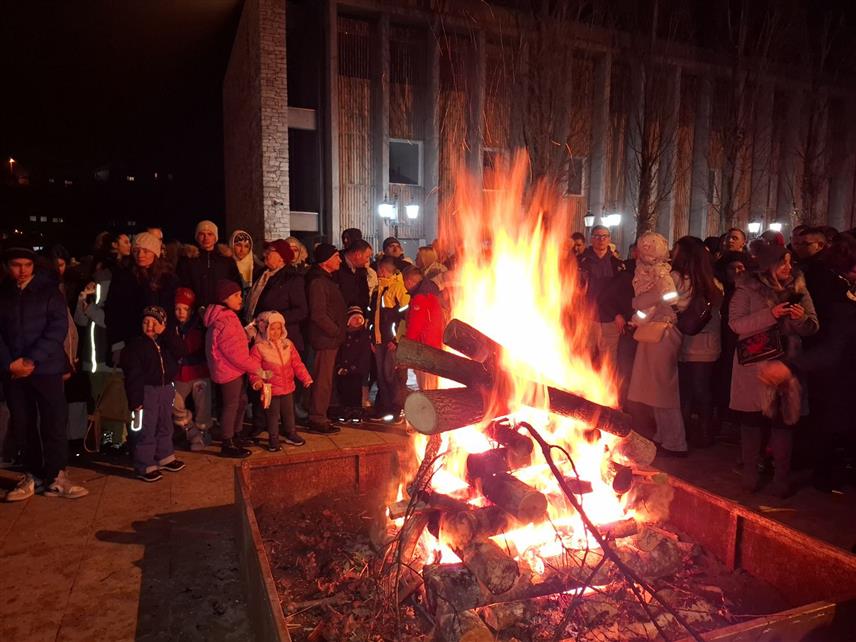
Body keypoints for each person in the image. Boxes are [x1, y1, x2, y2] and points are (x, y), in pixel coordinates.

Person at [758, 233, 856, 491]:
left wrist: (791, 364)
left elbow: (826, 338)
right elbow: (834, 342)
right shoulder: (840, 295)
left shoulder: (829, 292)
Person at [729, 244, 818, 496]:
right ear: (768, 265)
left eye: (790, 262)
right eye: (782, 262)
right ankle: (750, 473)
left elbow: (813, 326)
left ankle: (781, 478)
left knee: (782, 424)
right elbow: (736, 323)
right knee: (752, 424)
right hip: (756, 365)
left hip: (786, 366)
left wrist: (799, 319)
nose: (788, 268)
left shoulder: (799, 288)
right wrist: (770, 314)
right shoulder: (747, 288)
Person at [1, 248, 87, 500]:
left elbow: (57, 327)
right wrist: (9, 363)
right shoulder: (3, 293)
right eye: (17, 265)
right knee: (23, 422)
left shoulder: (49, 291)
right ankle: (33, 474)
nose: (22, 270)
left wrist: (31, 359)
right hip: (14, 371)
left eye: (27, 264)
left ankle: (57, 475)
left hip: (45, 367)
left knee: (53, 421)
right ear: (7, 266)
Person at [627, 232, 690, 457]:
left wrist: (642, 306)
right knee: (655, 389)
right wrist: (640, 315)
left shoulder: (662, 272)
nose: (645, 251)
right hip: (653, 332)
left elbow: (668, 298)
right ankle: (664, 436)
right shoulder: (648, 270)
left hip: (662, 332)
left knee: (664, 389)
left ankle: (675, 440)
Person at [119, 306, 186, 482]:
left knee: (165, 423)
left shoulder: (165, 342)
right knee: (147, 428)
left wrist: (165, 333)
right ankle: (145, 463)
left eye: (154, 323)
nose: (149, 326)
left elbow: (181, 350)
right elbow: (133, 375)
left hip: (165, 389)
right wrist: (136, 400)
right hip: (147, 391)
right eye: (145, 322)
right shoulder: (136, 346)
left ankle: (164, 455)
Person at [204, 280, 268, 458]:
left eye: (241, 294)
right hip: (229, 371)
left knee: (240, 401)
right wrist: (257, 368)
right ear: (224, 298)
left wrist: (245, 334)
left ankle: (236, 433)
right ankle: (228, 441)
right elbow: (236, 354)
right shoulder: (226, 321)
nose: (241, 298)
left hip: (228, 369)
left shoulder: (225, 317)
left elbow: (233, 344)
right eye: (236, 296)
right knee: (232, 405)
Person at [673, 237, 724, 447]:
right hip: (708, 343)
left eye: (675, 250)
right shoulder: (714, 282)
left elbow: (667, 303)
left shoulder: (677, 280)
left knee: (685, 390)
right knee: (702, 390)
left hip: (687, 341)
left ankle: (684, 434)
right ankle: (704, 432)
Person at [104, 232, 178, 365]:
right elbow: (113, 312)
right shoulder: (123, 276)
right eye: (136, 251)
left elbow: (171, 313)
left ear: (155, 253)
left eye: (146, 251)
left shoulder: (167, 279)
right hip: (130, 341)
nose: (140, 255)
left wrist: (169, 338)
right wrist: (117, 344)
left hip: (159, 342)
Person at [249, 311, 312, 451]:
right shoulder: (259, 347)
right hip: (270, 389)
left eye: (278, 328)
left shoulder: (288, 344)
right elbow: (254, 368)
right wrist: (257, 381)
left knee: (289, 413)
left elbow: (297, 363)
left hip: (287, 387)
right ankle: (273, 439)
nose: (276, 332)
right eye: (272, 328)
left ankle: (290, 433)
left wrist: (305, 377)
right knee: (272, 416)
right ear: (264, 328)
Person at [306, 243, 346, 433]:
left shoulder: (326, 279)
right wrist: (336, 330)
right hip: (325, 339)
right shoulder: (318, 282)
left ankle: (321, 415)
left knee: (326, 379)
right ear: (326, 261)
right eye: (336, 256)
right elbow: (318, 314)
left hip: (330, 339)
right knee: (322, 380)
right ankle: (317, 418)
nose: (339, 260)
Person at [578, 224, 626, 366]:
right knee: (584, 359)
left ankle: (607, 388)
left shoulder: (617, 264)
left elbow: (622, 293)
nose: (601, 239)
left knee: (609, 362)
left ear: (609, 239)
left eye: (604, 236)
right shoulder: (581, 262)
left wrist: (620, 314)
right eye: (597, 236)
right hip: (587, 318)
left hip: (610, 320)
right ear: (591, 239)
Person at [246, 240, 307, 351]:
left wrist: (273, 320)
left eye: (270, 251)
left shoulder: (292, 279)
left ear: (281, 257)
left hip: (281, 342)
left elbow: (301, 311)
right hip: (260, 338)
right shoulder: (261, 275)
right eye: (266, 251)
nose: (265, 254)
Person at [172, 287, 212, 451]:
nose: (181, 312)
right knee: (174, 403)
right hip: (180, 373)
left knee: (203, 405)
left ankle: (202, 433)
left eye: (185, 309)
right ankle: (191, 431)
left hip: (199, 371)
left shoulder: (199, 326)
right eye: (177, 309)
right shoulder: (171, 327)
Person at [370, 257, 410, 420]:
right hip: (379, 340)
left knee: (391, 374)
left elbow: (406, 318)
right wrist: (373, 338)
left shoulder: (399, 289)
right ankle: (385, 409)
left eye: (379, 270)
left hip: (393, 341)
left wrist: (397, 340)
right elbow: (372, 316)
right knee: (381, 375)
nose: (378, 273)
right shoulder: (377, 290)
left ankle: (399, 407)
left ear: (384, 270)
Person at [177, 220, 242, 309]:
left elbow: (235, 286)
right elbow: (182, 287)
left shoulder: (226, 260)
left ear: (215, 237)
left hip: (221, 311)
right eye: (202, 234)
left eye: (210, 234)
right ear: (197, 237)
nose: (206, 238)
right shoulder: (187, 260)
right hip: (195, 311)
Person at [403, 265, 444, 391]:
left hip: (425, 348)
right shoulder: (431, 291)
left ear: (409, 282)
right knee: (432, 383)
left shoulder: (419, 298)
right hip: (434, 345)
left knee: (426, 386)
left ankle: (429, 408)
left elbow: (415, 327)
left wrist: (407, 347)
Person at [335, 306, 373, 421]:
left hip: (357, 370)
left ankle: (356, 412)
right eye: (354, 318)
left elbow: (364, 355)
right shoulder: (343, 335)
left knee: (355, 392)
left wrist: (356, 367)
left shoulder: (364, 335)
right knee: (345, 391)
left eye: (360, 318)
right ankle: (346, 412)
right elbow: (340, 352)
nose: (358, 321)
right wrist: (340, 366)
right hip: (344, 369)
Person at [229, 229, 263, 304]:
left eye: (246, 246)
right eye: (238, 245)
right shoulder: (226, 265)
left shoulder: (257, 267)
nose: (242, 250)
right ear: (231, 245)